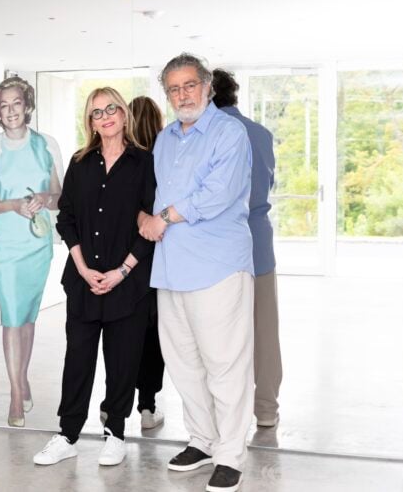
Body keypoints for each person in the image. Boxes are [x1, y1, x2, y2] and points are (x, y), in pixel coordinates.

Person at [139, 53, 254, 492]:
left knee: (225, 365)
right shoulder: (166, 139)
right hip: (171, 269)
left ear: (207, 87)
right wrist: (145, 217)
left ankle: (229, 455)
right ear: (166, 94)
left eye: (190, 85)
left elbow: (217, 194)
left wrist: (162, 218)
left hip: (217, 267)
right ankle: (202, 441)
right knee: (184, 364)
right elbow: (155, 196)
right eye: (173, 88)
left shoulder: (229, 132)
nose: (182, 95)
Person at [33, 87, 156, 467]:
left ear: (123, 114)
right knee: (78, 361)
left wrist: (122, 271)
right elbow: (66, 217)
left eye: (110, 109)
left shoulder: (144, 163)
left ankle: (115, 433)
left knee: (122, 362)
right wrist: (83, 267)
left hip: (127, 283)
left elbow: (150, 226)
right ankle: (67, 434)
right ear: (90, 121)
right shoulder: (80, 162)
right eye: (95, 112)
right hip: (84, 281)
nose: (104, 117)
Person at [0, 76, 63, 428]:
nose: (10, 111)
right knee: (11, 315)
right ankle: (13, 393)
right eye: (3, 105)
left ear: (27, 106)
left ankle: (22, 376)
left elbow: (59, 194)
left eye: (16, 104)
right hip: (4, 244)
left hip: (37, 243)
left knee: (27, 316)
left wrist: (44, 199)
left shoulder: (46, 145)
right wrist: (9, 204)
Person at [212, 68, 282, 428]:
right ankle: (266, 409)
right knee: (265, 331)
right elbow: (268, 183)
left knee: (221, 336)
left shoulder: (205, 136)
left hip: (219, 250)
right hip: (259, 245)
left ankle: (224, 414)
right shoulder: (262, 134)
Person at [99, 96, 166, 430]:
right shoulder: (161, 157)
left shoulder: (129, 161)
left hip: (125, 258)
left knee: (120, 335)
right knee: (151, 336)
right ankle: (147, 406)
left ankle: (113, 403)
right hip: (156, 260)